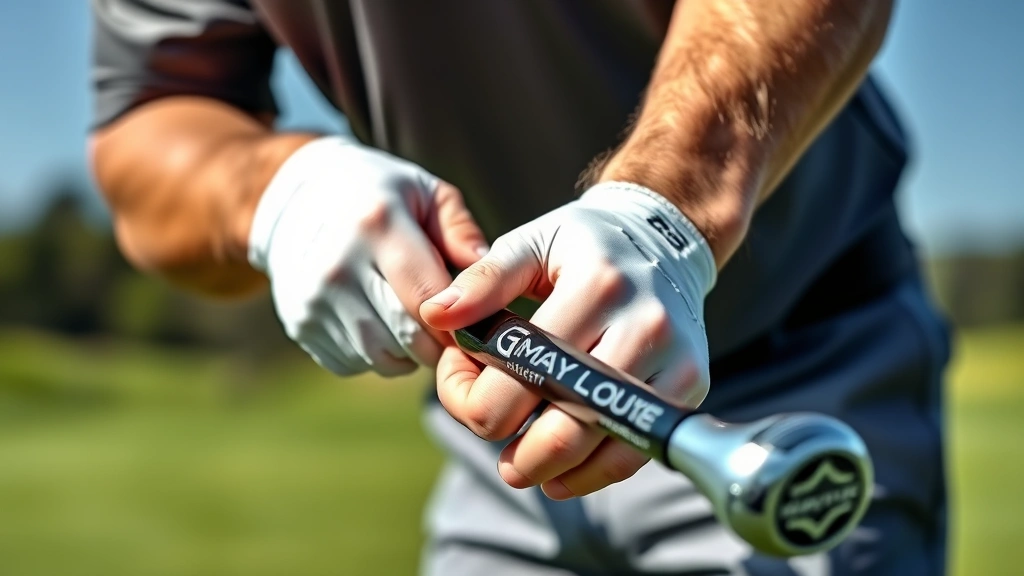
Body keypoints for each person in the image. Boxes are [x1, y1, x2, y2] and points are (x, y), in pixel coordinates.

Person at [89, 1, 950, 574]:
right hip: (498, 445)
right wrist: (277, 190)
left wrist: (664, 211)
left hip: (793, 380)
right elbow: (150, 115)